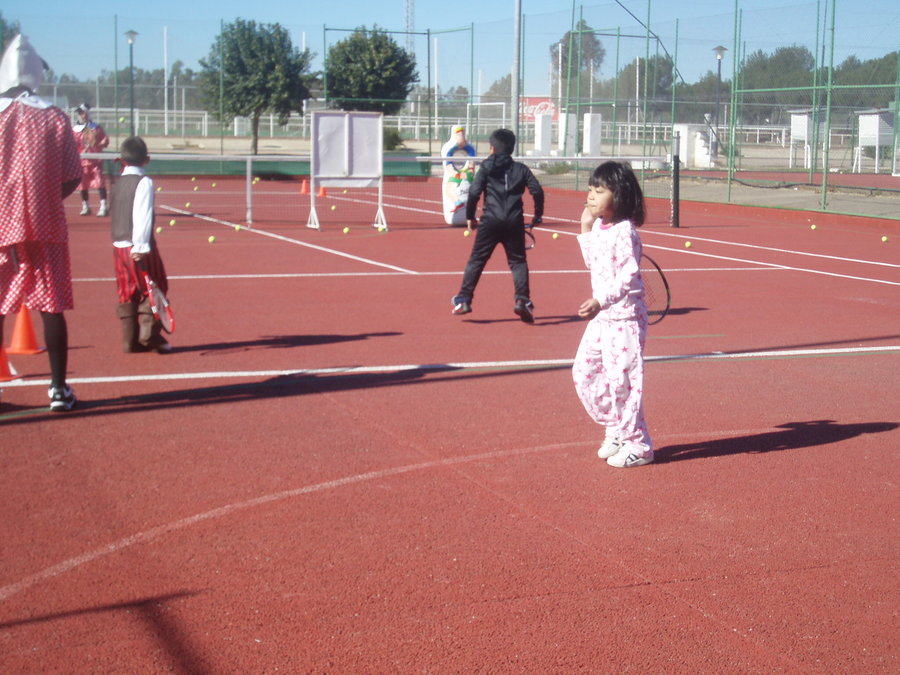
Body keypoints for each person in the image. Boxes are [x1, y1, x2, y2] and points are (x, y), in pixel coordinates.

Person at [0, 34, 81, 412]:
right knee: (51, 304)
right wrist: (45, 200)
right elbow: (72, 176)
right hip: (45, 223)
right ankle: (58, 389)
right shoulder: (54, 116)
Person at [572, 161, 653, 467]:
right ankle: (617, 428)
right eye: (590, 190)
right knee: (585, 372)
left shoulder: (625, 232)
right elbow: (593, 263)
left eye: (599, 191)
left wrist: (601, 300)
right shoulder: (599, 226)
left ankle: (639, 445)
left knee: (624, 383)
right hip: (603, 318)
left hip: (625, 318)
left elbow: (629, 275)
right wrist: (585, 228)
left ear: (618, 195)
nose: (591, 196)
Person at [450, 128, 544, 323]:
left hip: (490, 222)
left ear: (491, 148)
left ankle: (464, 299)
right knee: (518, 262)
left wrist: (470, 217)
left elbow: (474, 192)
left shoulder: (486, 167)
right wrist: (537, 215)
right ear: (512, 148)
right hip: (514, 222)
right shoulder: (521, 169)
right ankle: (522, 300)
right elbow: (537, 191)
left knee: (477, 260)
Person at [110, 136, 171, 354]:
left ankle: (129, 341)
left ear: (122, 159)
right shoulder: (144, 182)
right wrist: (141, 246)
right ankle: (148, 336)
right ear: (147, 159)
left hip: (119, 246)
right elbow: (142, 215)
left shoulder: (117, 183)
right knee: (155, 286)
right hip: (138, 245)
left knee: (127, 291)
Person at [73, 102, 110, 216]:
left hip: (95, 161)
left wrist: (100, 143)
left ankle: (103, 206)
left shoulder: (96, 128)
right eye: (80, 113)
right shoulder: (75, 129)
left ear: (88, 113)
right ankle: (85, 206)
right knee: (82, 184)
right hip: (82, 161)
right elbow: (73, 145)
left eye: (83, 112)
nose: (82, 115)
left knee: (99, 182)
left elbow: (105, 141)